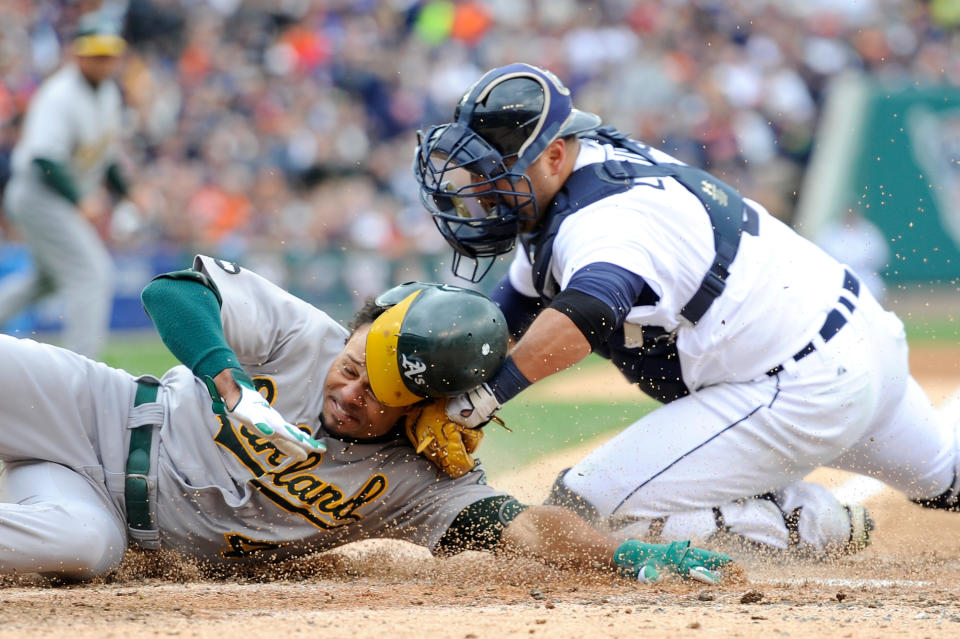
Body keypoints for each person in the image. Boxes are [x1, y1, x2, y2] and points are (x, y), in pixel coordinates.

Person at [413, 62, 960, 556]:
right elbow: (506, 314)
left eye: (494, 173)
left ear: (555, 153)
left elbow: (585, 314)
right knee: (946, 480)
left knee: (579, 512)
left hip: (797, 386)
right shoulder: (589, 167)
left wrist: (480, 400)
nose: (481, 191)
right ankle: (778, 500)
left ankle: (800, 521)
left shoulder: (603, 218)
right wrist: (427, 388)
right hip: (859, 341)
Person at [0, 253, 731, 583]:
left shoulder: (421, 479)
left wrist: (621, 557)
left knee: (81, 547)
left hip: (103, 514)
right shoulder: (305, 336)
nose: (348, 391)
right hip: (94, 410)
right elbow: (175, 292)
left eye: (376, 394)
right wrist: (226, 378)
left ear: (423, 413)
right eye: (351, 366)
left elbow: (523, 525)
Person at [0, 11, 140, 358]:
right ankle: (83, 372)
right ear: (78, 54)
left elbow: (103, 157)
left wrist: (128, 192)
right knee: (93, 275)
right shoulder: (60, 95)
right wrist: (80, 200)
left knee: (45, 281)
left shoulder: (107, 93)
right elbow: (43, 158)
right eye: (96, 53)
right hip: (37, 194)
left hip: (54, 197)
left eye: (109, 53)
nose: (105, 61)